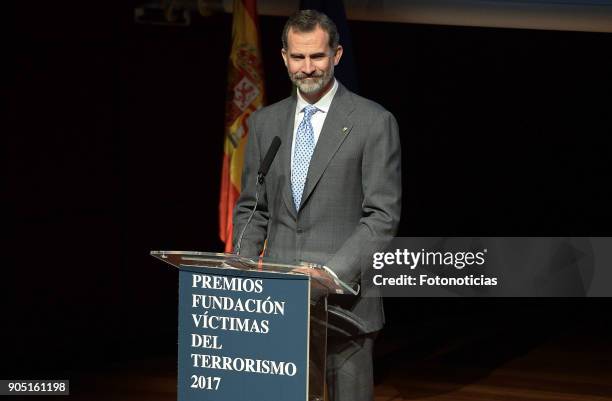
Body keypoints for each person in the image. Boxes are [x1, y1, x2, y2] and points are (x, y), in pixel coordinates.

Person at [233, 9, 401, 401]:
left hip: (346, 307)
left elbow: (382, 216)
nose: (307, 67)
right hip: (279, 305)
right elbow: (253, 209)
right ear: (284, 58)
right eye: (298, 57)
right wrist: (239, 271)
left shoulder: (374, 121)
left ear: (337, 55)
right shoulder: (264, 124)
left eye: (317, 56)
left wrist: (327, 275)